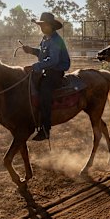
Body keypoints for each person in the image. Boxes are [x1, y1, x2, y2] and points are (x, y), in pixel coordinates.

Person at [21, 12, 71, 141]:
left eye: (44, 25)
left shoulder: (55, 40)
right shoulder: (45, 38)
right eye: (40, 25)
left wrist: (35, 67)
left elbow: (53, 61)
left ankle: (45, 128)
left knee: (44, 91)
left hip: (55, 72)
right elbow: (43, 55)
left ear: (51, 26)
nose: (41, 27)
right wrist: (31, 50)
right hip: (48, 70)